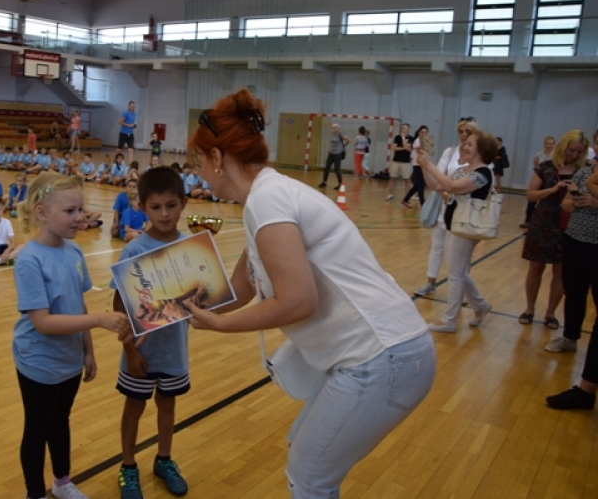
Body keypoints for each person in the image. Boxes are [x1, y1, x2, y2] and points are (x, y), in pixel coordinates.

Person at [186, 90, 435, 498]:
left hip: (381, 355)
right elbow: (240, 287)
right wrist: (174, 303)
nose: (198, 173)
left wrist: (221, 325)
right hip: (387, 351)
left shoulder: (267, 201)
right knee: (304, 459)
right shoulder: (265, 196)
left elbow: (298, 301)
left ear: (216, 157)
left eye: (198, 161)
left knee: (310, 477)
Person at [13, 173, 130, 499]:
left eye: (80, 209)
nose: (79, 217)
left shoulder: (74, 252)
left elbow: (78, 304)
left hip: (69, 358)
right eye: (70, 211)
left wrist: (87, 350)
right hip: (38, 361)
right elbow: (43, 322)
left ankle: (62, 483)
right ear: (41, 213)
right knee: (37, 429)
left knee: (60, 421)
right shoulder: (29, 259)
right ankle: (34, 493)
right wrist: (100, 320)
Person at [111, 167, 191, 498]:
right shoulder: (133, 250)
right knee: (134, 406)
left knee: (167, 405)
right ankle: (128, 466)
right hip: (140, 352)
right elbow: (120, 307)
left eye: (171, 205)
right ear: (142, 206)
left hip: (174, 349)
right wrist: (130, 350)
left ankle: (164, 460)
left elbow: (199, 294)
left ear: (183, 203)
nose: (164, 214)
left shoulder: (190, 247)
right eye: (155, 207)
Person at [418, 129, 498, 333]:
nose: (465, 146)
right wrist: (425, 167)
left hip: (465, 228)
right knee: (458, 271)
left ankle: (450, 320)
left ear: (482, 150)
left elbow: (452, 186)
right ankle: (480, 305)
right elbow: (436, 185)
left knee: (455, 274)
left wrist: (430, 165)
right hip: (454, 225)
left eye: (470, 144)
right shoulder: (465, 170)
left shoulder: (482, 173)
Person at [545, 156, 598, 410]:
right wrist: (576, 202)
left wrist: (594, 202)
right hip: (576, 241)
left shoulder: (590, 176)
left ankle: (586, 390)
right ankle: (570, 337)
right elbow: (566, 203)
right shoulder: (585, 172)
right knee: (574, 291)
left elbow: (592, 184)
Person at [519, 131, 587, 329]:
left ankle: (550, 313)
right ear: (563, 147)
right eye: (571, 150)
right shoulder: (546, 167)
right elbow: (531, 195)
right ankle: (529, 309)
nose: (574, 155)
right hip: (543, 222)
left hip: (570, 225)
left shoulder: (584, 171)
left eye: (579, 152)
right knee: (535, 268)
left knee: (560, 271)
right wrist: (553, 189)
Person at [414, 118, 479, 297]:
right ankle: (430, 283)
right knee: (437, 246)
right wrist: (426, 165)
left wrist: (451, 191)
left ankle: (464, 292)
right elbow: (437, 178)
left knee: (460, 254)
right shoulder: (450, 152)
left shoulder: (479, 157)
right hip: (445, 208)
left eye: (467, 131)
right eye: (461, 131)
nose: (464, 135)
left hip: (464, 211)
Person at [521, 136, 555, 228]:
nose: (548, 145)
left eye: (550, 144)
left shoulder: (556, 155)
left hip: (550, 181)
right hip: (540, 180)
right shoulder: (538, 155)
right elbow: (536, 167)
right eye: (546, 143)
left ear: (553, 144)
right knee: (532, 200)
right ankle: (528, 220)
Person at [402, 125, 429, 208]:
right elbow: (419, 151)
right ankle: (423, 204)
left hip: (423, 165)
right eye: (422, 132)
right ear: (419, 132)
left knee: (417, 185)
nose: (424, 134)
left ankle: (405, 199)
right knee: (421, 184)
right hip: (417, 165)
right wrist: (427, 153)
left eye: (425, 132)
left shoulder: (425, 141)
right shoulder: (417, 141)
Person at [318, 122, 349, 189]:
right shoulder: (332, 134)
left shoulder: (340, 134)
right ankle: (324, 182)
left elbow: (348, 140)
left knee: (337, 169)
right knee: (326, 168)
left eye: (335, 128)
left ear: (338, 129)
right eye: (332, 128)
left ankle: (340, 184)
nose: (333, 129)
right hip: (331, 153)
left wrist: (344, 145)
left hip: (337, 154)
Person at [387, 123, 413, 201]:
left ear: (408, 129)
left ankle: (406, 197)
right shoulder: (397, 137)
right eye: (402, 128)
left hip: (406, 162)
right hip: (396, 160)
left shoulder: (411, 138)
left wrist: (403, 138)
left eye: (404, 128)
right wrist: (404, 148)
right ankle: (390, 195)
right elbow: (394, 148)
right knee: (392, 178)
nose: (402, 129)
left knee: (407, 179)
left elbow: (407, 147)